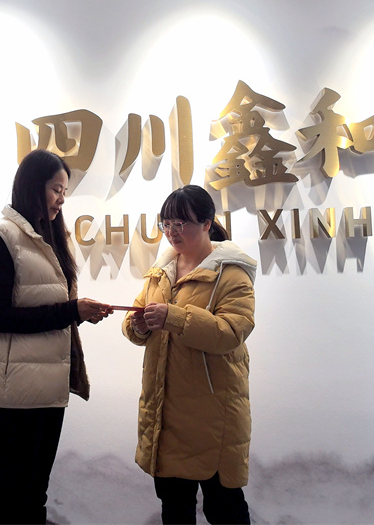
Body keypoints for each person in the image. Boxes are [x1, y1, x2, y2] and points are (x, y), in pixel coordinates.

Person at [0, 149, 112, 524]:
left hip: (47, 387)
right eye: (56, 189)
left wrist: (79, 314)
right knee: (13, 498)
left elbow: (50, 313)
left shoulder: (51, 239)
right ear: (32, 187)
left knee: (34, 497)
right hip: (12, 394)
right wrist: (72, 312)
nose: (62, 199)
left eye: (64, 191)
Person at [122, 184, 257, 525]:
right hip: (165, 413)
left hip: (213, 417)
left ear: (207, 223)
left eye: (181, 223)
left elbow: (232, 332)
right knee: (175, 510)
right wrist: (138, 325)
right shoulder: (162, 271)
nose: (171, 232)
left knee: (225, 510)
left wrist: (175, 317)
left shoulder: (232, 274)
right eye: (166, 223)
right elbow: (135, 320)